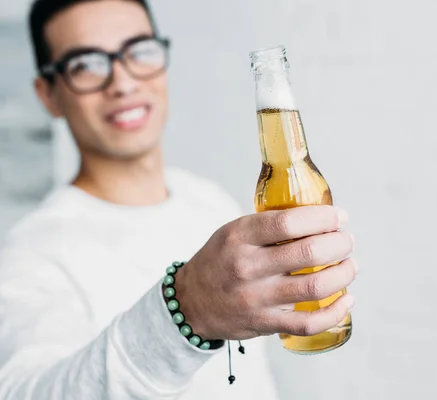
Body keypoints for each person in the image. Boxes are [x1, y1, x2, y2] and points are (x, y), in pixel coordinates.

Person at [0, 0, 358, 399]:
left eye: (139, 51)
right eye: (86, 64)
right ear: (48, 94)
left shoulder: (209, 200)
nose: (122, 82)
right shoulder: (31, 252)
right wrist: (187, 309)